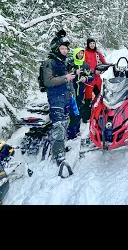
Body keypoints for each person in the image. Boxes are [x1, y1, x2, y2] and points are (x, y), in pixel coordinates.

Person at [42, 35, 75, 166]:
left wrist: (71, 93)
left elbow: (69, 79)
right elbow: (48, 81)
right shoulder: (49, 62)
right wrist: (65, 78)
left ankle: (61, 147)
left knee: (66, 122)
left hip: (66, 96)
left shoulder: (64, 62)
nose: (65, 51)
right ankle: (58, 153)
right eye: (62, 48)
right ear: (56, 49)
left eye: (66, 49)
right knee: (58, 125)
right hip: (56, 97)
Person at [67, 47, 94, 138]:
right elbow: (65, 75)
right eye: (78, 53)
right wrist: (75, 72)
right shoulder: (70, 64)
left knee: (79, 110)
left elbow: (91, 76)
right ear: (75, 54)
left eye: (82, 53)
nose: (80, 55)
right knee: (71, 111)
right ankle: (70, 131)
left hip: (81, 92)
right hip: (70, 92)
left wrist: (85, 78)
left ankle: (77, 130)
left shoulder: (85, 65)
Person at [84, 38, 107, 121]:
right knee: (88, 97)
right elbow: (84, 66)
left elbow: (104, 63)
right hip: (89, 79)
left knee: (100, 95)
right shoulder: (85, 53)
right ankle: (86, 116)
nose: (92, 45)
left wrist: (103, 69)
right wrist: (93, 71)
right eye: (90, 43)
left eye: (93, 43)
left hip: (97, 79)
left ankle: (100, 112)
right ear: (88, 44)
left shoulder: (97, 53)